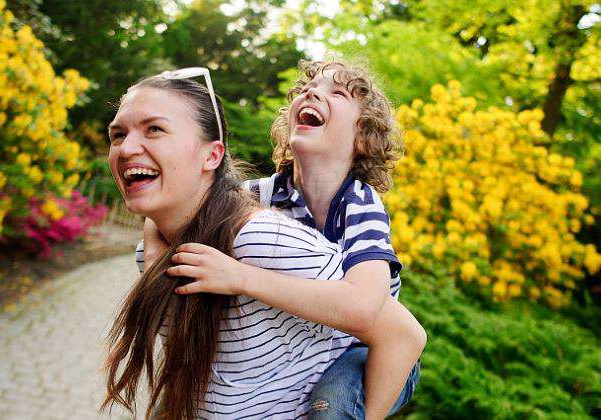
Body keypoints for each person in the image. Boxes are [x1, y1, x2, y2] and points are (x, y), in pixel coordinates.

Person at [104, 69, 425, 419]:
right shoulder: (263, 194)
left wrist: (242, 277)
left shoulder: (361, 206)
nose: (312, 93)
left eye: (337, 94)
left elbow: (364, 310)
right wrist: (153, 254)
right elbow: (184, 208)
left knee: (332, 407)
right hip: (322, 333)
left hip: (361, 350)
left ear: (363, 137)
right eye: (306, 87)